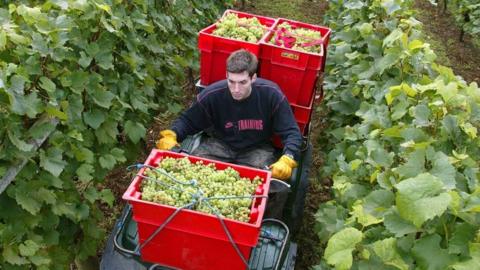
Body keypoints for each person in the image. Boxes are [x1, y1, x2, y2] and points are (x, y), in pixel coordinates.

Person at [156, 49, 302, 180]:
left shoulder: (271, 95)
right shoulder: (213, 95)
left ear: (254, 78)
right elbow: (188, 121)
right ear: (226, 75)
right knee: (191, 173)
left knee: (272, 186)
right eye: (231, 81)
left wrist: (288, 158)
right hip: (220, 145)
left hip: (257, 149)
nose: (236, 89)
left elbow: (291, 132)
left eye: (243, 82)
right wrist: (172, 134)